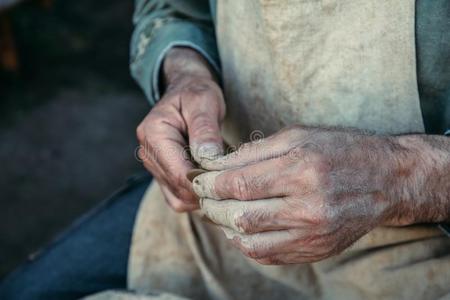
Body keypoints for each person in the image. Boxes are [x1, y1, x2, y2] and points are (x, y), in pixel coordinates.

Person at [1, 0, 449, 299]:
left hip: (420, 254)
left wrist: (406, 177)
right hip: (213, 218)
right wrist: (183, 72)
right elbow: (173, 6)